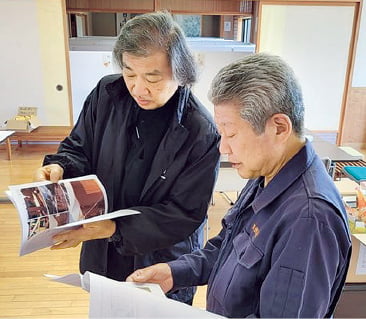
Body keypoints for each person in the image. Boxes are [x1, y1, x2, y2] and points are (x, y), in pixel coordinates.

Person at [126, 53, 352, 318]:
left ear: (279, 127)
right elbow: (228, 245)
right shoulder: (265, 174)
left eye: (231, 133)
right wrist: (173, 273)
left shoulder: (309, 218)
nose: (223, 147)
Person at [34, 11, 220, 304]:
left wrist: (115, 228)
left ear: (181, 72)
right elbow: (79, 147)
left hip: (160, 260)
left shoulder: (200, 131)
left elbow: (185, 213)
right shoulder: (107, 94)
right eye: (130, 73)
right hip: (102, 252)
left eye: (153, 77)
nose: (138, 88)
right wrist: (61, 165)